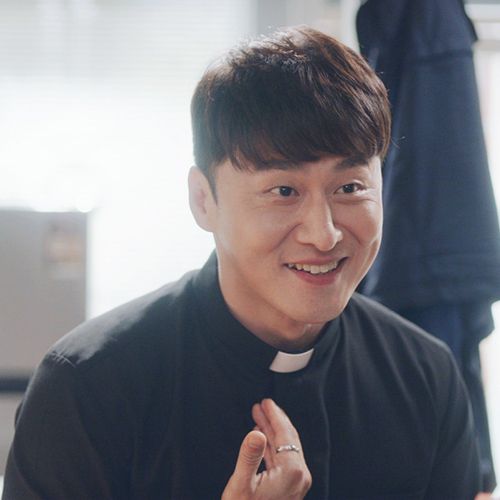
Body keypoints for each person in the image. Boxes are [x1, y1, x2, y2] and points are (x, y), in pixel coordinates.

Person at [2, 27, 483, 499]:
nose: (324, 234)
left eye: (350, 187)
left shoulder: (426, 375)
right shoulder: (87, 387)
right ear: (203, 200)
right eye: (284, 191)